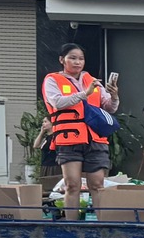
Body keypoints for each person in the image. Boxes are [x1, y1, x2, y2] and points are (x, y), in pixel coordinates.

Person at [42, 42, 118, 218]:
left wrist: (114, 96)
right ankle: (72, 227)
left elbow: (109, 108)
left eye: (81, 59)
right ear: (62, 60)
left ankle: (102, 225)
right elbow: (57, 102)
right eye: (72, 58)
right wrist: (84, 94)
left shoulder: (91, 80)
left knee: (98, 185)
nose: (77, 62)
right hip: (69, 139)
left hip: (95, 138)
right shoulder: (52, 79)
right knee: (72, 185)